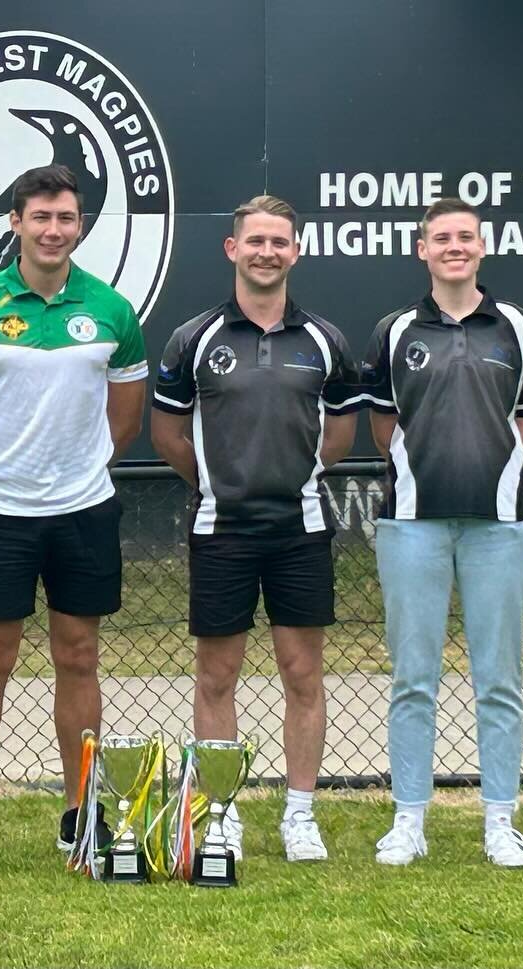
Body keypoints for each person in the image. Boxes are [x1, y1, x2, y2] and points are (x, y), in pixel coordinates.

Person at [0, 164, 147, 867]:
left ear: (80, 225)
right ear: (15, 223)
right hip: (1, 510)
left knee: (78, 655)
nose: (54, 230)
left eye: (66, 218)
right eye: (41, 217)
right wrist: (2, 469)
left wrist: (79, 468)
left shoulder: (111, 308)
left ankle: (82, 811)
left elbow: (126, 413)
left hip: (84, 508)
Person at [151, 195, 358, 862]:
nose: (268, 251)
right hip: (222, 529)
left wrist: (285, 477)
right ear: (232, 249)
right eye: (256, 240)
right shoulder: (195, 338)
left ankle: (300, 814)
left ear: (295, 251)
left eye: (280, 241)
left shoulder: (326, 339)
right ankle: (222, 814)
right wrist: (221, 480)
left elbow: (341, 437)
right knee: (217, 677)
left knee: (303, 673)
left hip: (300, 529)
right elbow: (169, 434)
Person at [360, 198, 523, 868]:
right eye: (441, 237)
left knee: (498, 678)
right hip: (412, 524)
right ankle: (408, 818)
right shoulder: (394, 331)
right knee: (413, 677)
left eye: (464, 236)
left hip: (499, 526)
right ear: (422, 249)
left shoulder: (519, 328)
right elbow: (386, 426)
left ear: (482, 245)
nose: (454, 246)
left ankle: (500, 820)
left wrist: (494, 470)